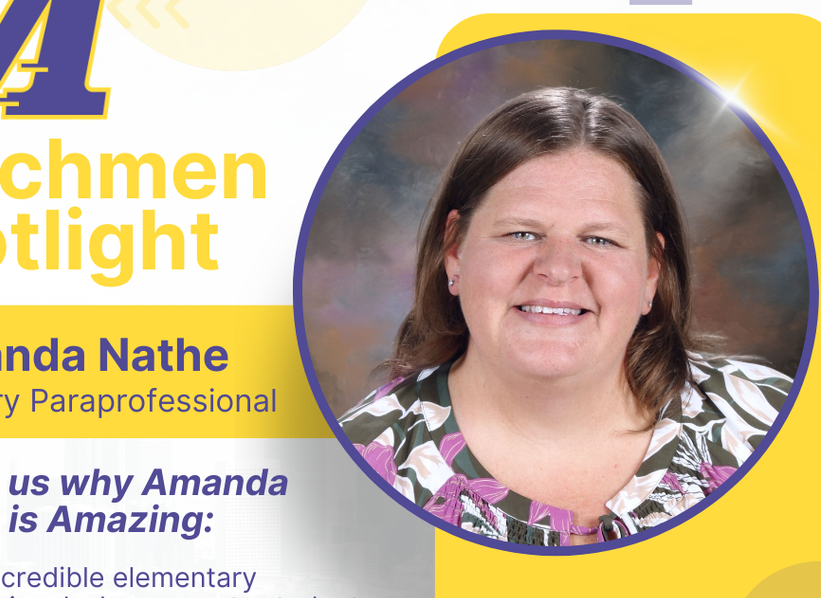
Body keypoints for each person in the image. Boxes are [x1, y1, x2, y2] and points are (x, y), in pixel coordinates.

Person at [338, 87, 791, 546]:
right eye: (521, 232)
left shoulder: (779, 425)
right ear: (454, 252)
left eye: (599, 240)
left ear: (651, 271)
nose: (557, 269)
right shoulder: (353, 470)